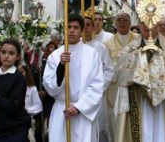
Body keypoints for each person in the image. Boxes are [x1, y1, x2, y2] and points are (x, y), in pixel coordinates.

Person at [114, 22, 165, 142]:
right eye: (144, 23)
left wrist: (159, 56)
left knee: (161, 130)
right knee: (144, 131)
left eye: (153, 23)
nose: (149, 26)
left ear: (158, 25)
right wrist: (140, 57)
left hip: (164, 100)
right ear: (139, 25)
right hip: (139, 97)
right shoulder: (131, 47)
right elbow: (120, 70)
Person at [43, 14, 104, 142]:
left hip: (83, 112)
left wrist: (78, 107)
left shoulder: (92, 54)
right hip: (62, 111)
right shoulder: (55, 56)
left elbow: (97, 86)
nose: (71, 30)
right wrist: (61, 66)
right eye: (69, 27)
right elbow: (50, 87)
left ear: (82, 31)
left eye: (76, 27)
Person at [0, 39, 31, 142]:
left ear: (17, 57)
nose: (6, 56)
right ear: (0, 53)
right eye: (4, 52)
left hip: (15, 130)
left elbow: (13, 105)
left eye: (11, 53)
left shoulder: (18, 78)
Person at [104, 12, 140, 142]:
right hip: (116, 89)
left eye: (125, 20)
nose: (122, 22)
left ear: (130, 23)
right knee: (116, 121)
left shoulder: (138, 39)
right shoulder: (107, 44)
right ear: (115, 23)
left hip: (135, 87)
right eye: (119, 20)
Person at [84, 12, 114, 142]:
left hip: (96, 93)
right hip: (78, 93)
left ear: (92, 28)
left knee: (97, 127)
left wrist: (100, 87)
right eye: (83, 25)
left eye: (89, 25)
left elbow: (109, 69)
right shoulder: (72, 46)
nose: (86, 28)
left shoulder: (100, 47)